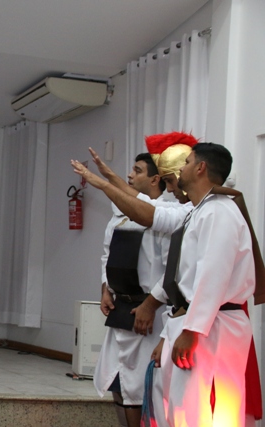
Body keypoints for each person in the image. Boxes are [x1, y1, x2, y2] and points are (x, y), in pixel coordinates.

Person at [73, 135, 263, 426]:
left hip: (213, 327)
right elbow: (151, 216)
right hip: (192, 322)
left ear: (200, 168)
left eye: (187, 162)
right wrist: (171, 333)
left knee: (204, 409)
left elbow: (212, 277)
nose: (180, 170)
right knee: (179, 407)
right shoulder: (197, 211)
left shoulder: (218, 212)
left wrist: (191, 330)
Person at [93, 153, 170, 427]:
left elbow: (172, 270)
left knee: (139, 387)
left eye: (137, 170)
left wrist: (150, 305)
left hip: (148, 312)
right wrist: (106, 288)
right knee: (117, 382)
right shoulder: (120, 214)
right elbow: (107, 255)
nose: (129, 175)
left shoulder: (165, 216)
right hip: (121, 309)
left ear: (155, 179)